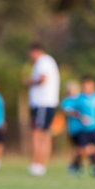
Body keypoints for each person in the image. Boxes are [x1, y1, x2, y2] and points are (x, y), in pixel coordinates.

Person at [24, 43, 60, 177]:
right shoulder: (48, 61)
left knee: (38, 134)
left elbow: (42, 79)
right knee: (44, 133)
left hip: (42, 103)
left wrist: (29, 82)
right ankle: (41, 165)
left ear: (35, 51)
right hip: (47, 103)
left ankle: (37, 164)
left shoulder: (43, 62)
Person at [76, 75, 95, 178]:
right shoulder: (79, 98)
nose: (86, 87)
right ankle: (78, 167)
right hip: (83, 129)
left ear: (93, 85)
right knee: (83, 150)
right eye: (85, 85)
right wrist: (80, 116)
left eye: (89, 85)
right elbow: (73, 111)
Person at [60, 80, 83, 175]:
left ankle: (77, 166)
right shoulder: (66, 101)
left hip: (83, 128)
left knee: (81, 148)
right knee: (77, 148)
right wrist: (78, 114)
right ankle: (73, 165)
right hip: (72, 128)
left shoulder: (80, 99)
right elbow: (67, 111)